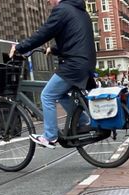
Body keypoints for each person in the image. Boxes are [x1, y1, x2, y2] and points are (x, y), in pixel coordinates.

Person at [9, 0, 96, 149]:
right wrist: (54, 49)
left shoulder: (62, 10)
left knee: (47, 95)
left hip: (73, 64)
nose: (48, 2)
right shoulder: (80, 10)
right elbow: (74, 39)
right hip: (86, 62)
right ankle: (82, 121)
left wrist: (19, 47)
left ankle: (49, 137)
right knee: (60, 94)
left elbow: (43, 33)